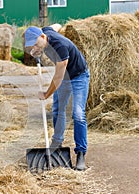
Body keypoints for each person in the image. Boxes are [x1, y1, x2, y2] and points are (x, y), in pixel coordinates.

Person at [24, 24, 90, 171]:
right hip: (65, 77)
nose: (34, 47)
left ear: (42, 37)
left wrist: (46, 94)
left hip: (79, 76)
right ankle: (57, 143)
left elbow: (58, 78)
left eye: (35, 44)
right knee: (57, 110)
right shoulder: (46, 32)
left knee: (78, 114)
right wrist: (36, 50)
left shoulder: (60, 47)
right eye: (31, 46)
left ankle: (80, 153)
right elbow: (56, 25)